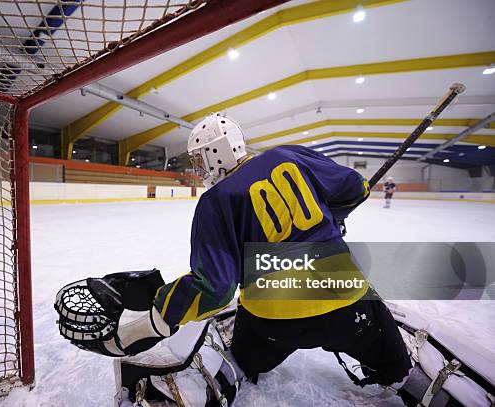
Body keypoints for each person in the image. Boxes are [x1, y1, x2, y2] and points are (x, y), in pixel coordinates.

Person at [114, 113, 411, 394]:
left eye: (201, 158)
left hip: (273, 323)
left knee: (243, 360)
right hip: (346, 306)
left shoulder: (214, 201)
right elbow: (356, 188)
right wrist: (332, 215)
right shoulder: (288, 156)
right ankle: (412, 380)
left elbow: (214, 289)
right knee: (399, 369)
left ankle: (231, 372)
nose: (199, 167)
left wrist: (162, 307)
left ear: (218, 152)